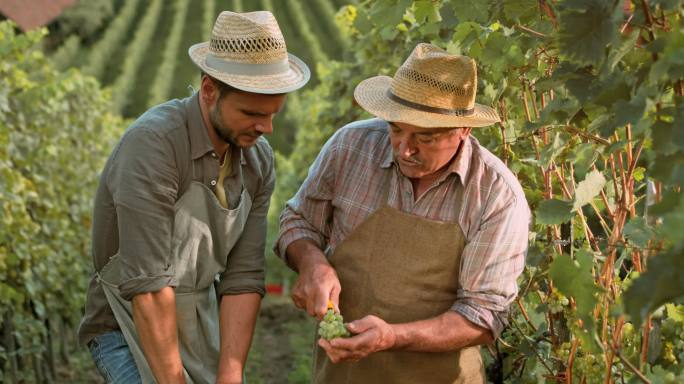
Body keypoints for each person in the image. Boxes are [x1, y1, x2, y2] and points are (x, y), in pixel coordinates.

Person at [275, 43, 530, 383]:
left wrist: (391, 337)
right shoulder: (350, 148)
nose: (404, 149)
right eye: (396, 129)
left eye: (425, 137)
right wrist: (312, 262)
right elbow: (298, 221)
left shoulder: (496, 195)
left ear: (464, 130)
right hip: (343, 375)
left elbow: (484, 315)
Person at [78, 11, 309, 383]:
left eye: (273, 114)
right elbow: (149, 286)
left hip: (201, 325)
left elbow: (242, 277)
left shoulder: (258, 160)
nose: (265, 128)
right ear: (208, 91)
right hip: (128, 324)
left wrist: (231, 374)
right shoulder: (154, 146)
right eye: (252, 113)